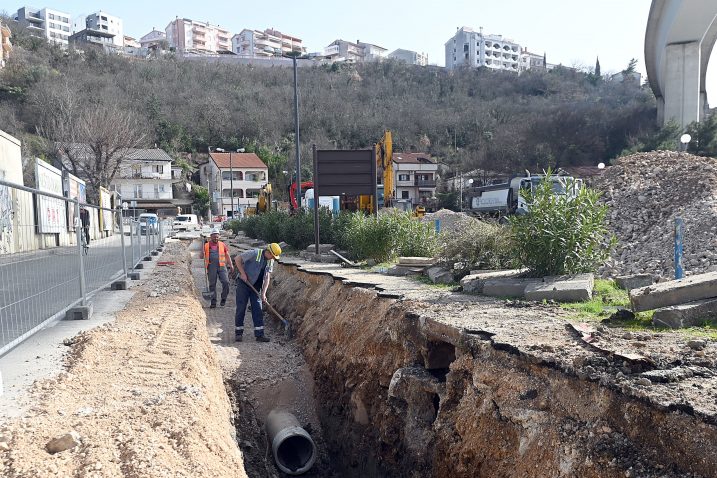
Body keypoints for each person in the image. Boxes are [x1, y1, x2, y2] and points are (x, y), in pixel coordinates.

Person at [234, 243, 282, 343]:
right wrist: (242, 273)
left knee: (257, 309)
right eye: (273, 256)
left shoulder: (270, 261)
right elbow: (237, 259)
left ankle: (259, 334)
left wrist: (264, 293)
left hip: (256, 286)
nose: (273, 258)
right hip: (244, 283)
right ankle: (238, 333)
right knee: (241, 307)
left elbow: (267, 277)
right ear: (268, 252)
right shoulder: (255, 253)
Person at [204, 229, 233, 309]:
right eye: (214, 237)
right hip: (211, 266)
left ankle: (223, 299)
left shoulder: (222, 244)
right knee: (212, 285)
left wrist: (231, 265)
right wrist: (203, 251)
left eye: (217, 237)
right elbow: (200, 256)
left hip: (222, 266)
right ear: (211, 237)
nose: (216, 238)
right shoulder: (206, 245)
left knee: (226, 282)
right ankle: (213, 302)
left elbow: (227, 255)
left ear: (219, 237)